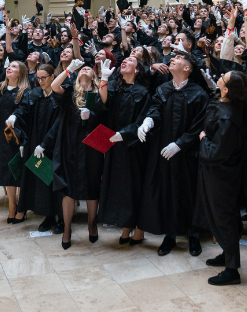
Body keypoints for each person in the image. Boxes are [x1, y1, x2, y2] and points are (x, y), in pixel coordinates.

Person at [137, 52, 208, 257]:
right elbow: (155, 109)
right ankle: (170, 234)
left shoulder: (198, 94)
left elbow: (200, 125)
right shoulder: (163, 89)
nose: (172, 59)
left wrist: (180, 144)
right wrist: (148, 122)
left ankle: (193, 234)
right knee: (167, 191)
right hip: (164, 150)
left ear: (187, 68)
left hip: (188, 154)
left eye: (178, 58)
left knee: (190, 192)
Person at [196, 71, 247, 286]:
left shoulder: (228, 117)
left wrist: (202, 139)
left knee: (224, 216)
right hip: (217, 171)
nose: (219, 76)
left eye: (223, 77)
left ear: (226, 90)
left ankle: (232, 269)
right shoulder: (226, 104)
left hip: (221, 173)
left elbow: (215, 152)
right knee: (220, 214)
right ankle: (227, 253)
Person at [41, 59, 102, 248]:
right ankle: (67, 228)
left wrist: (91, 116)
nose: (85, 69)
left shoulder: (98, 93)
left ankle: (92, 224)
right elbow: (53, 85)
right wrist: (68, 69)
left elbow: (106, 115)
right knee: (67, 188)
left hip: (91, 147)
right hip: (68, 144)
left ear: (94, 76)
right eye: (82, 68)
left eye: (88, 69)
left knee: (92, 186)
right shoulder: (70, 93)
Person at [98, 57, 152, 245]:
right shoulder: (113, 86)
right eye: (124, 59)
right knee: (117, 186)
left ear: (137, 70)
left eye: (130, 60)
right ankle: (125, 227)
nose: (124, 61)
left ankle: (138, 229)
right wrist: (103, 80)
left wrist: (125, 134)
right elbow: (103, 104)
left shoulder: (143, 92)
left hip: (133, 146)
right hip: (114, 144)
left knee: (133, 187)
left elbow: (142, 120)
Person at [0, 60, 33, 222]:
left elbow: (25, 111)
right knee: (8, 174)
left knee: (18, 172)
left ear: (21, 73)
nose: (10, 68)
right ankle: (12, 206)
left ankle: (21, 208)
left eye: (14, 67)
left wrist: (16, 116)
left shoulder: (25, 91)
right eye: (9, 66)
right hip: (0, 137)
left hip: (17, 137)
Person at [16, 63, 61, 230]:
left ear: (52, 77)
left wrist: (45, 143)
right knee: (43, 179)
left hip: (54, 144)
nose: (40, 81)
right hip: (36, 142)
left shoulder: (58, 95)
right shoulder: (35, 94)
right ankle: (49, 216)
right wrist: (14, 117)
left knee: (56, 180)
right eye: (38, 78)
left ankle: (62, 218)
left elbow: (58, 124)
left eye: (44, 78)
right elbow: (23, 110)